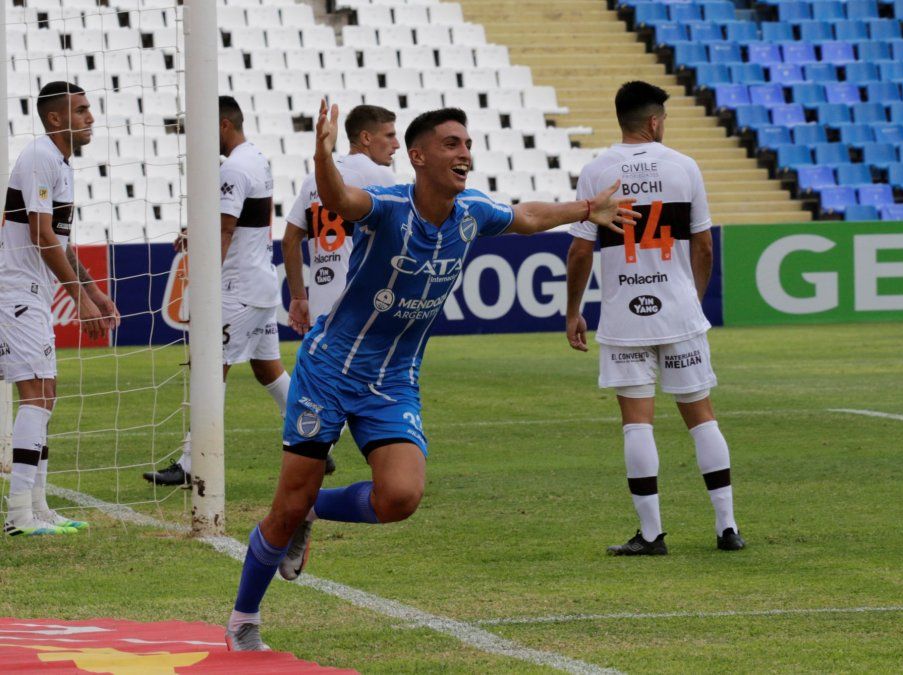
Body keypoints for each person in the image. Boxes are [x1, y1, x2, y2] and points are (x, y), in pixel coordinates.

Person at [224, 102, 638, 651]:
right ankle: (243, 621)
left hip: (393, 379)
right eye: (451, 144)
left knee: (400, 497)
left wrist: (586, 207)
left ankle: (309, 512)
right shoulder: (389, 207)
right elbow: (341, 200)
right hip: (329, 368)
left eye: (467, 144)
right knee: (283, 507)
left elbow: (530, 216)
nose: (464, 153)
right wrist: (324, 158)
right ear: (417, 157)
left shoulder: (473, 212)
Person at [566, 81, 745, 556]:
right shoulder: (683, 166)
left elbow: (581, 250)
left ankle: (651, 535)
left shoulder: (596, 170)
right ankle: (727, 527)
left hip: (625, 315)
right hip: (679, 310)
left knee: (637, 424)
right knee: (701, 418)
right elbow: (704, 244)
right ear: (654, 121)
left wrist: (573, 312)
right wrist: (694, 297)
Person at [143, 96, 291, 487]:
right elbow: (242, 221)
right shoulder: (256, 158)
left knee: (208, 368)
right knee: (268, 371)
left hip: (237, 287)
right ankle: (317, 441)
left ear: (224, 125)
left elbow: (226, 230)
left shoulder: (235, 167)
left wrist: (205, 279)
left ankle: (193, 462)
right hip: (260, 284)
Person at [1, 81, 119, 535]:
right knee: (37, 393)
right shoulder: (40, 158)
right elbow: (40, 235)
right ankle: (18, 517)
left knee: (44, 393)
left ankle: (38, 508)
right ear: (56, 118)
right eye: (82, 110)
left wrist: (94, 291)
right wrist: (78, 298)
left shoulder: (61, 165)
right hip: (15, 287)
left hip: (30, 289)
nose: (91, 118)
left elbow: (61, 244)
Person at [282, 104, 399, 333]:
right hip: (363, 308)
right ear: (366, 137)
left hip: (321, 309)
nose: (396, 144)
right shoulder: (380, 176)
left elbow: (289, 240)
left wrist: (297, 296)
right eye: (390, 135)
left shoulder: (314, 178)